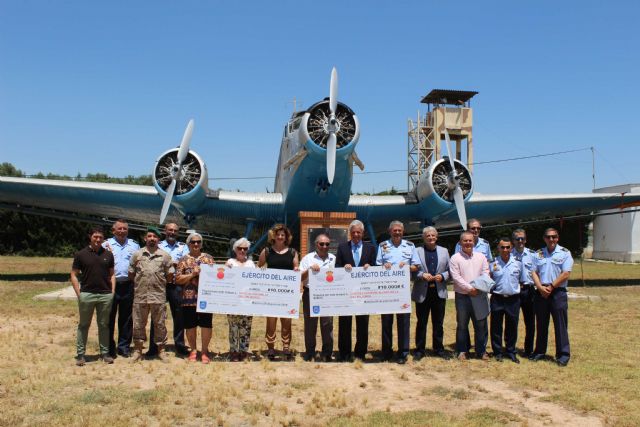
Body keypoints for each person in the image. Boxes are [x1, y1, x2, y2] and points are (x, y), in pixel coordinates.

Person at [70, 226, 115, 366]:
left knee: (104, 325)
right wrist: (79, 293)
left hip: (105, 295)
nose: (98, 239)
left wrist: (112, 292)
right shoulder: (81, 254)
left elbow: (112, 274)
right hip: (87, 294)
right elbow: (73, 274)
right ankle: (80, 355)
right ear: (90, 237)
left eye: (100, 237)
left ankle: (105, 353)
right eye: (95, 236)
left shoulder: (108, 254)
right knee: (84, 325)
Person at [128, 226, 174, 362]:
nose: (152, 239)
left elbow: (170, 275)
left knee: (159, 324)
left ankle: (161, 351)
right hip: (140, 295)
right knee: (138, 323)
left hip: (158, 295)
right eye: (149, 236)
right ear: (145, 238)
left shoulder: (165, 256)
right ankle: (137, 351)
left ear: (158, 239)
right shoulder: (137, 255)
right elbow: (131, 273)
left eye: (154, 237)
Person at [376, 220, 419, 364]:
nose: (397, 232)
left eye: (399, 230)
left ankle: (403, 352)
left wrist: (407, 266)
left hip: (403, 291)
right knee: (386, 322)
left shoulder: (410, 246)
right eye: (394, 230)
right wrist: (384, 265)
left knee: (404, 322)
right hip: (386, 290)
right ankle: (386, 352)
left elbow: (416, 266)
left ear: (403, 231)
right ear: (390, 232)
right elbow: (377, 265)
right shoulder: (383, 246)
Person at [335, 219, 377, 361]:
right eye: (354, 232)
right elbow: (337, 267)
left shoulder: (371, 248)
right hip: (346, 292)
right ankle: (344, 353)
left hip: (364, 292)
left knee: (363, 323)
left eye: (359, 232)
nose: (356, 235)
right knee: (344, 323)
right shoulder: (342, 247)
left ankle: (360, 353)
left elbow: (375, 268)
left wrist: (370, 267)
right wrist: (343, 267)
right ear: (350, 233)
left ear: (363, 233)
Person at [530, 228, 573, 367]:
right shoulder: (538, 254)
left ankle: (563, 355)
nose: (551, 239)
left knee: (560, 324)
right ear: (544, 238)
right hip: (541, 292)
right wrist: (540, 287)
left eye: (554, 237)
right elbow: (533, 272)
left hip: (557, 292)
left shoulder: (565, 253)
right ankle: (539, 352)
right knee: (541, 323)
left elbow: (566, 273)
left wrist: (552, 287)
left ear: (558, 238)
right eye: (548, 237)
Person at [148, 223, 190, 357]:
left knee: (179, 316)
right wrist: (174, 263)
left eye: (175, 231)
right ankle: (154, 347)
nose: (172, 232)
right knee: (157, 316)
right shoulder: (158, 245)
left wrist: (166, 262)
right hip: (159, 285)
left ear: (178, 233)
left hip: (176, 285)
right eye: (170, 230)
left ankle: (180, 346)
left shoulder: (183, 247)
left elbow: (184, 264)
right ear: (165, 231)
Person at [258, 224, 299, 361]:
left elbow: (296, 267)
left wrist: (296, 270)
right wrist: (262, 271)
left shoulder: (293, 252)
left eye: (283, 235)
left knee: (286, 320)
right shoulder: (267, 251)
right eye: (278, 234)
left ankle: (286, 347)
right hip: (270, 292)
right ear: (273, 236)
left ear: (286, 237)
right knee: (271, 321)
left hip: (287, 293)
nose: (280, 237)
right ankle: (271, 348)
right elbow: (259, 267)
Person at [449, 231, 490, 360]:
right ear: (460, 243)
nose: (468, 243)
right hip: (462, 297)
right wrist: (469, 289)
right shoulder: (455, 258)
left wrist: (477, 288)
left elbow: (486, 273)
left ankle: (481, 351)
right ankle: (462, 350)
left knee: (481, 324)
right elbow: (456, 277)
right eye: (465, 241)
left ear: (474, 242)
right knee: (462, 324)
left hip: (479, 295)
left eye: (470, 240)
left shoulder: (481, 257)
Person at [175, 232, 215, 363]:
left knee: (206, 325)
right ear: (189, 244)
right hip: (189, 299)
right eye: (193, 242)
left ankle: (204, 351)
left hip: (206, 298)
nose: (196, 244)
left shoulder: (209, 259)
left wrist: (228, 269)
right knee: (190, 325)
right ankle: (193, 350)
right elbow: (178, 279)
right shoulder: (183, 260)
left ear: (201, 244)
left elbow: (218, 276)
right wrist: (192, 274)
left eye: (198, 242)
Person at [412, 226, 451, 360]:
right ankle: (419, 350)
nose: (431, 238)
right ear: (423, 237)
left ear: (437, 236)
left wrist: (443, 276)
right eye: (428, 235)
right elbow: (412, 271)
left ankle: (439, 349)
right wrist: (422, 275)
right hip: (422, 292)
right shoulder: (416, 251)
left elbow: (450, 270)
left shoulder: (445, 251)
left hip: (439, 291)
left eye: (433, 235)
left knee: (438, 323)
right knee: (421, 323)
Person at [103, 219, 140, 358]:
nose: (122, 231)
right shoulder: (105, 244)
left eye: (125, 229)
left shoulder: (134, 245)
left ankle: (123, 347)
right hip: (110, 285)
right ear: (113, 231)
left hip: (128, 285)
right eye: (119, 228)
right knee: (109, 317)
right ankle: (109, 347)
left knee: (126, 318)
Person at [300, 233, 335, 362]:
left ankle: (327, 353)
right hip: (310, 293)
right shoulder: (308, 259)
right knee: (310, 324)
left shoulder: (333, 258)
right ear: (316, 245)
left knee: (327, 324)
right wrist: (309, 270)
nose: (324, 246)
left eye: (327, 244)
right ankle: (310, 352)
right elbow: (300, 278)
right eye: (321, 244)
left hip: (328, 294)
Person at [489, 237, 523, 363]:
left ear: (511, 248)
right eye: (502, 247)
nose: (505, 249)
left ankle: (511, 351)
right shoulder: (492, 263)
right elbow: (489, 279)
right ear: (498, 248)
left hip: (513, 299)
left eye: (507, 247)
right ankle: (497, 352)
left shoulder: (518, 263)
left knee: (512, 326)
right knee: (496, 326)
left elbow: (522, 279)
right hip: (497, 298)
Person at [225, 237, 255, 362]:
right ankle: (233, 351)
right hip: (232, 299)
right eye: (239, 248)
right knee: (233, 326)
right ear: (235, 249)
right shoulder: (230, 262)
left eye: (245, 248)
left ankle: (243, 351)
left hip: (247, 300)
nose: (242, 250)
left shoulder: (251, 264)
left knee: (246, 326)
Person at [511, 228, 537, 357]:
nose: (520, 241)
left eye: (522, 239)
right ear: (513, 241)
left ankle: (529, 349)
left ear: (526, 240)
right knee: (512, 321)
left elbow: (538, 272)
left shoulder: (533, 255)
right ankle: (510, 349)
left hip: (529, 290)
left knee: (530, 322)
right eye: (517, 239)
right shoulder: (508, 254)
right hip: (514, 290)